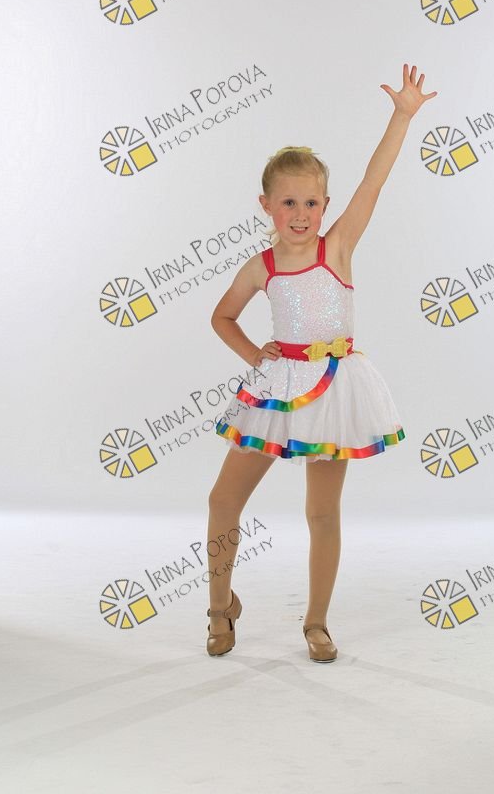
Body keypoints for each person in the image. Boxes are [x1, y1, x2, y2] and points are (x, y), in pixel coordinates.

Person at [206, 63, 437, 662]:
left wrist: (402, 116)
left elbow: (373, 184)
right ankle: (220, 606)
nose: (301, 212)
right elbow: (222, 316)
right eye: (289, 202)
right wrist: (254, 353)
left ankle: (316, 621)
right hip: (276, 388)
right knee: (223, 500)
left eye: (311, 201)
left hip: (333, 389)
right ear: (266, 205)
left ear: (326, 204)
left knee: (322, 512)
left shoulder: (338, 246)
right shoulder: (261, 267)